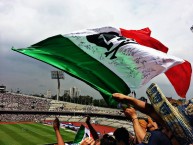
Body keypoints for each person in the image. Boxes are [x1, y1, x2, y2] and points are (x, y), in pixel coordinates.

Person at [112, 83, 193, 145]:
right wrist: (128, 99)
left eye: (169, 129)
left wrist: (134, 118)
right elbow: (151, 111)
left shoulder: (159, 139)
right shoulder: (166, 138)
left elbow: (141, 140)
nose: (163, 130)